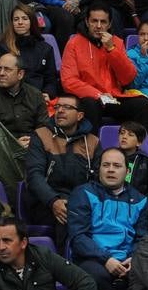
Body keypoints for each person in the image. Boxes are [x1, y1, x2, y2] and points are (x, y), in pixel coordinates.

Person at [66, 147, 148, 290]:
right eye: (106, 165)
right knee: (98, 277)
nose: (111, 169)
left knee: (147, 276)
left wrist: (134, 258)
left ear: (127, 171)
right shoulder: (83, 193)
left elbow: (142, 238)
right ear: (99, 169)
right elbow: (78, 237)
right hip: (91, 259)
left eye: (117, 166)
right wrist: (106, 259)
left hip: (126, 260)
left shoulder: (140, 200)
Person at [61, 2, 148, 129]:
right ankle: (92, 147)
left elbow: (128, 78)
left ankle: (140, 146)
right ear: (87, 22)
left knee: (143, 104)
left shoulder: (116, 42)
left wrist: (111, 50)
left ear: (109, 24)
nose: (98, 26)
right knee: (90, 104)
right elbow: (69, 81)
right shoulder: (74, 43)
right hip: (88, 98)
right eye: (94, 21)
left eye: (103, 22)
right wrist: (98, 94)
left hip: (113, 97)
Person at [24, 92, 100, 245]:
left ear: (79, 116)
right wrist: (53, 201)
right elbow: (34, 176)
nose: (60, 111)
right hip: (45, 202)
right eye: (57, 106)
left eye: (66, 107)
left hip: (80, 201)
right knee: (67, 215)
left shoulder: (92, 142)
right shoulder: (41, 135)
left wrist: (81, 201)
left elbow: (97, 179)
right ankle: (65, 263)